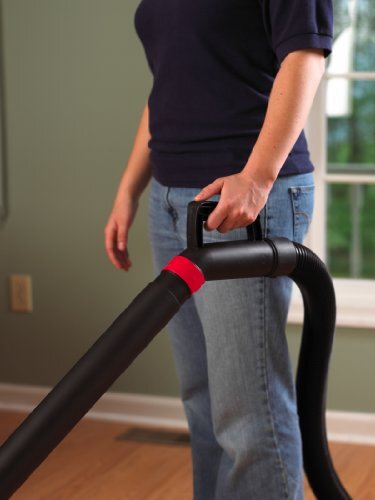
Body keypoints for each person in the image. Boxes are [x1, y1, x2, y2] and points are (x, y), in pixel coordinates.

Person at [104, 1, 333, 498]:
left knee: (247, 409)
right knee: (203, 400)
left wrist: (257, 179)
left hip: (239, 197)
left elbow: (305, 56)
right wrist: (129, 189)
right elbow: (167, 84)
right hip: (171, 196)